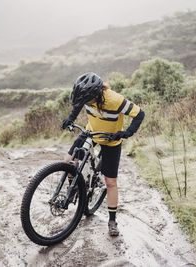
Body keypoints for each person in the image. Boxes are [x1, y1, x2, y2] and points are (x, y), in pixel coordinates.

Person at [62, 72, 145, 236]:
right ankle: (75, 188)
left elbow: (139, 114)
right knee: (69, 162)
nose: (84, 103)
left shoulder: (114, 100)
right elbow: (79, 104)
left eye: (87, 100)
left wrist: (126, 133)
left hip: (110, 141)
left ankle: (112, 220)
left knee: (110, 182)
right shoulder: (86, 97)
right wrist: (71, 118)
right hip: (91, 132)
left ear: (96, 95)